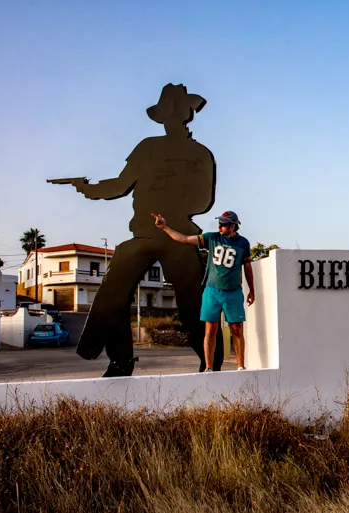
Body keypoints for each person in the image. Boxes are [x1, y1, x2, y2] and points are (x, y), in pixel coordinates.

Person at [70, 83, 216, 377]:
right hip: (143, 236)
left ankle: (210, 364)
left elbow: (203, 201)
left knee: (194, 307)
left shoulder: (200, 154)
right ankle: (120, 361)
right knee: (112, 297)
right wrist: (89, 189)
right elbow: (119, 186)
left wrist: (170, 193)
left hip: (179, 237)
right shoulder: (147, 147)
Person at [152, 210, 254, 371]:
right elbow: (184, 239)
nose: (219, 226)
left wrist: (252, 290)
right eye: (219, 223)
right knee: (210, 329)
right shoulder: (211, 238)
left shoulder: (243, 243)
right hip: (212, 290)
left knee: (236, 329)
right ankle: (208, 366)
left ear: (233, 226)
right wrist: (165, 227)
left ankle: (240, 365)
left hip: (233, 291)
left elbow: (247, 267)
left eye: (223, 224)